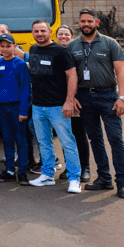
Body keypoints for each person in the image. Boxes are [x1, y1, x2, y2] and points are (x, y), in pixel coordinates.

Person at [67, 8, 124, 198]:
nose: (86, 24)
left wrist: (122, 97)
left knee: (115, 139)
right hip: (85, 98)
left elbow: (121, 73)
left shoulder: (110, 43)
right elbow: (70, 75)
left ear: (96, 23)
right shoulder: (72, 46)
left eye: (89, 21)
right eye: (82, 21)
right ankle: (104, 178)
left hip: (108, 97)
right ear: (78, 23)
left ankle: (122, 182)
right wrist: (72, 97)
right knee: (95, 139)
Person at [27, 20, 83, 193]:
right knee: (43, 142)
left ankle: (75, 179)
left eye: (43, 30)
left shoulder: (61, 51)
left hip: (57, 105)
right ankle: (47, 175)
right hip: (38, 106)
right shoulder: (33, 49)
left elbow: (72, 76)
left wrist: (69, 100)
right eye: (36, 31)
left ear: (49, 31)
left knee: (67, 142)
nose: (40, 34)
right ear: (33, 33)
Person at [0, 33, 31, 186]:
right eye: (2, 46)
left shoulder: (20, 64)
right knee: (7, 139)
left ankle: (22, 170)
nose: (5, 49)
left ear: (15, 47)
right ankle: (9, 170)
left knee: (20, 139)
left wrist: (23, 110)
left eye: (8, 46)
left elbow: (25, 88)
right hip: (3, 107)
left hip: (17, 107)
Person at [56, 25, 90, 181]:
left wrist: (74, 96)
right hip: (59, 102)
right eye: (60, 34)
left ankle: (85, 168)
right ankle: (69, 167)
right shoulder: (54, 52)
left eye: (66, 34)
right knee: (65, 136)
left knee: (79, 134)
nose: (63, 37)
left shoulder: (77, 53)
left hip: (77, 100)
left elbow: (80, 76)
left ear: (72, 36)